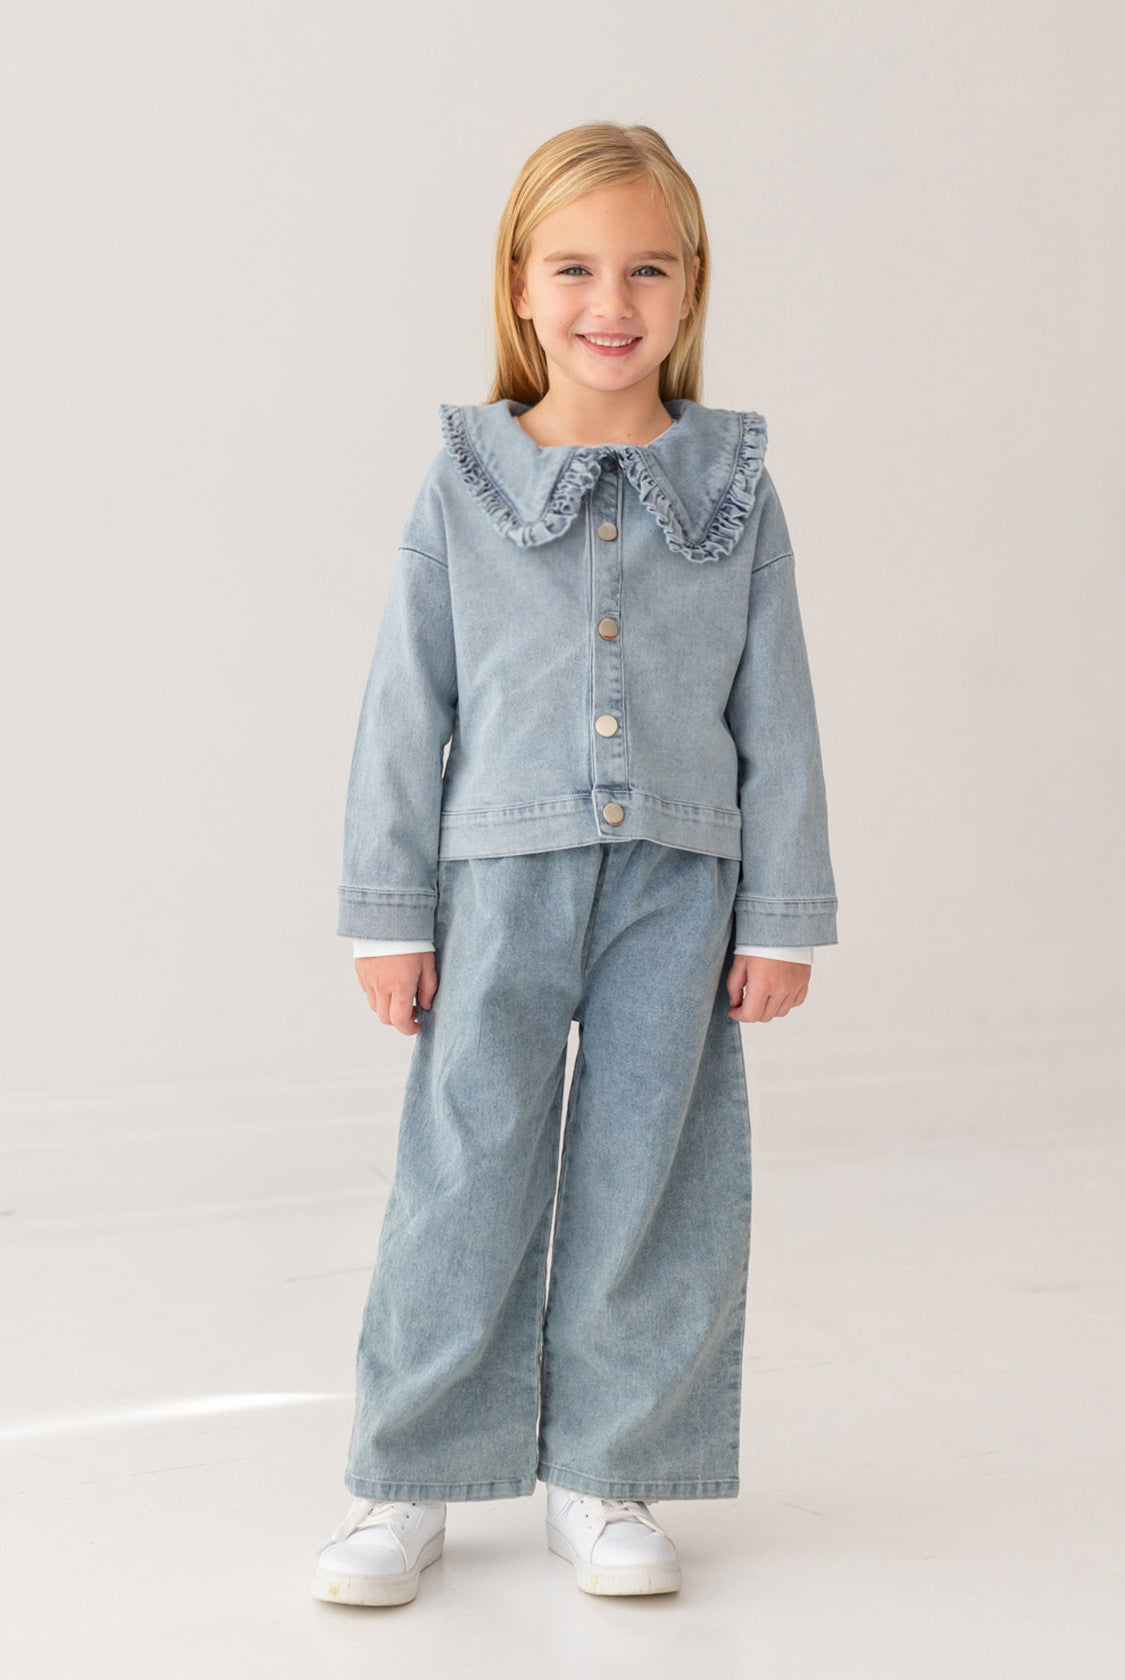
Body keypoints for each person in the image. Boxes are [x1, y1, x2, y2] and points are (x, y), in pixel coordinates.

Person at [311, 120, 838, 1608]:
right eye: (575, 268)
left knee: (650, 1176)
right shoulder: (463, 484)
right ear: (521, 288)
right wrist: (385, 917)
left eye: (646, 269)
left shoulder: (732, 485)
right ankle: (407, 1475)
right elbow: (404, 703)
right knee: (462, 1170)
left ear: (688, 288)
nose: (612, 299)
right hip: (493, 885)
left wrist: (782, 913)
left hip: (683, 884)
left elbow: (776, 708)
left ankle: (606, 1466)